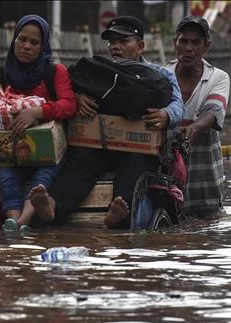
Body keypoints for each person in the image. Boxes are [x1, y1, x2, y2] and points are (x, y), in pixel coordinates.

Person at [31, 16, 184, 229]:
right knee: (81, 161)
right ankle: (52, 207)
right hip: (100, 144)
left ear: (140, 46)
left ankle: (118, 212)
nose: (116, 47)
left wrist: (166, 115)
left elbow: (178, 105)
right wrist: (78, 97)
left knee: (135, 164)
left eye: (123, 41)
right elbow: (68, 91)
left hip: (138, 147)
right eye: (112, 42)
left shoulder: (160, 75)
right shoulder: (98, 71)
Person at [0, 15, 77, 232]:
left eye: (34, 43)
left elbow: (69, 105)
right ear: (14, 40)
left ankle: (24, 220)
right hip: (9, 150)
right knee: (5, 172)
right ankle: (13, 221)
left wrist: (37, 112)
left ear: (42, 46)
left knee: (44, 171)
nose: (26, 46)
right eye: (21, 40)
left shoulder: (55, 73)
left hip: (49, 152)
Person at [164, 16, 230, 217]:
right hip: (168, 172)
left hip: (205, 174)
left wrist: (195, 127)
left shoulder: (218, 78)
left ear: (206, 47)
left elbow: (213, 112)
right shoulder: (163, 75)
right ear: (175, 43)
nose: (188, 48)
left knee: (206, 228)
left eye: (195, 42)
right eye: (183, 41)